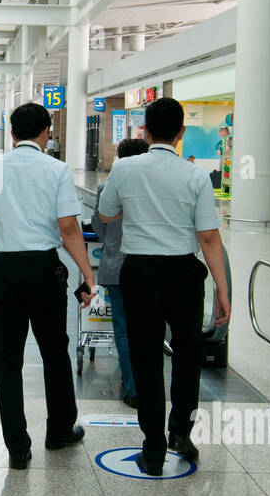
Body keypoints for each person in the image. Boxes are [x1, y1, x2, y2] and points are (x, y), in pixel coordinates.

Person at [98, 98, 230, 474]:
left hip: (138, 271)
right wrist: (221, 288)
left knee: (146, 358)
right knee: (188, 357)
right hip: (183, 275)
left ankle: (152, 447)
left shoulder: (125, 168)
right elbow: (208, 237)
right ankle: (181, 434)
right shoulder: (194, 175)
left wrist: (133, 207)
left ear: (144, 131)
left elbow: (107, 213)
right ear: (181, 133)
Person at [0, 102, 96, 470]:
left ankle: (17, 447)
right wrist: (87, 273)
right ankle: (59, 430)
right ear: (46, 133)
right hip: (44, 267)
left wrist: (7, 245)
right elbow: (69, 228)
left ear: (11, 134)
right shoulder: (57, 169)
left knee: (7, 356)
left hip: (6, 266)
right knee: (54, 350)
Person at [92, 137, 149, 408]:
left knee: (124, 331)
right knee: (149, 330)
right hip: (149, 267)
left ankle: (133, 389)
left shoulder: (106, 187)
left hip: (116, 267)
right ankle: (151, 387)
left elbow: (100, 229)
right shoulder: (152, 187)